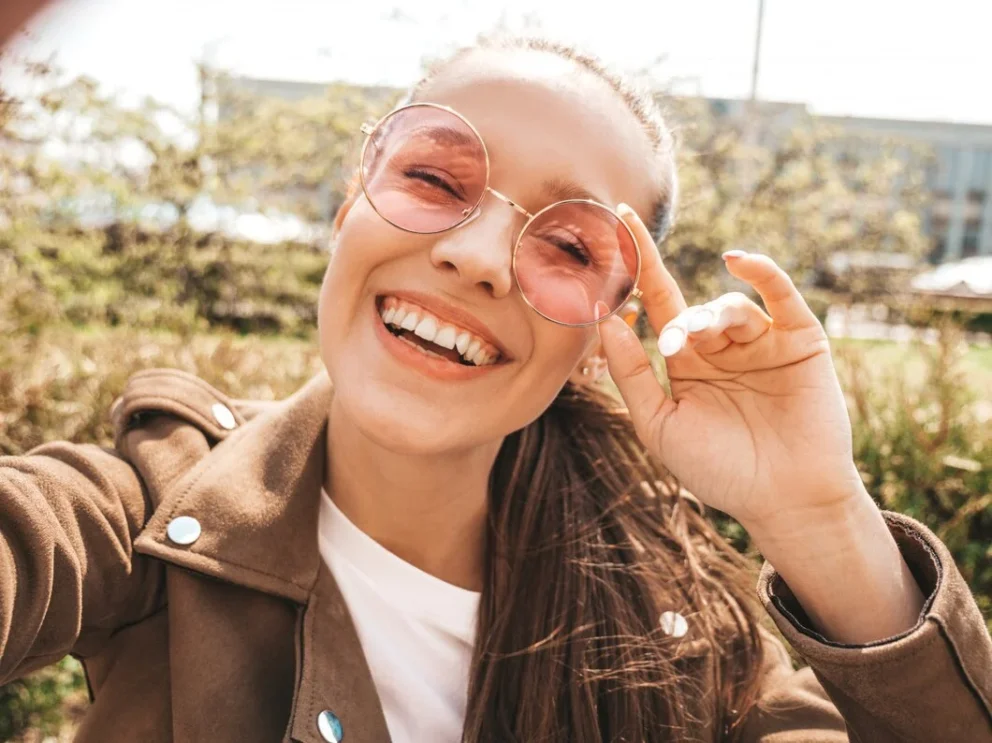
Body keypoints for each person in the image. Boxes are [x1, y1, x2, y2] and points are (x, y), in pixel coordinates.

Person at [1, 35, 990, 743]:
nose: (477, 256)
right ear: (350, 207)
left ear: (604, 333)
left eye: (565, 243)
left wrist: (816, 514)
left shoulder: (681, 637)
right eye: (434, 180)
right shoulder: (141, 512)